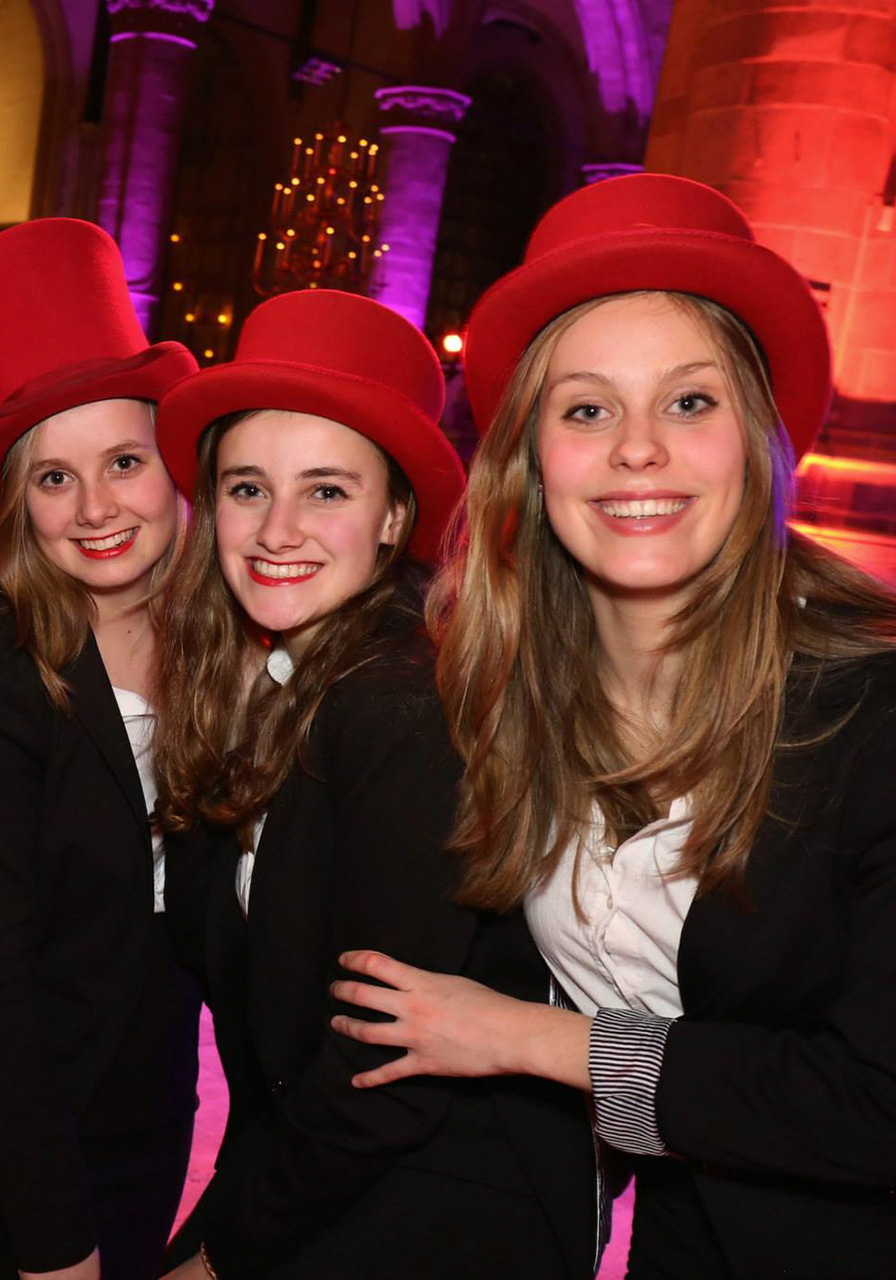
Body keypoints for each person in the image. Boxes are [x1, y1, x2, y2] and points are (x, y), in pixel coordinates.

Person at [326, 174, 896, 1279]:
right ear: (534, 462)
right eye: (587, 409)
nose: (638, 448)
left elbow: (877, 1101)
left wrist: (530, 1039)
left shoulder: (871, 717)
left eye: (690, 402)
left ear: (758, 441)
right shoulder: (501, 702)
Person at [148, 290, 594, 1280]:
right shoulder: (267, 680)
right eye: (248, 487)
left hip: (442, 1206)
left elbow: (381, 1059)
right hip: (323, 1166)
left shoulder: (402, 704)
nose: (277, 528)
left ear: (394, 516)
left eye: (326, 491)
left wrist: (221, 1254)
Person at [0, 218, 202, 1280]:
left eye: (124, 461)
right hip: (18, 1144)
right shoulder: (2, 670)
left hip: (152, 1111)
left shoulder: (223, 649)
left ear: (174, 467)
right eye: (53, 478)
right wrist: (51, 1235)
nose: (95, 509)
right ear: (19, 504)